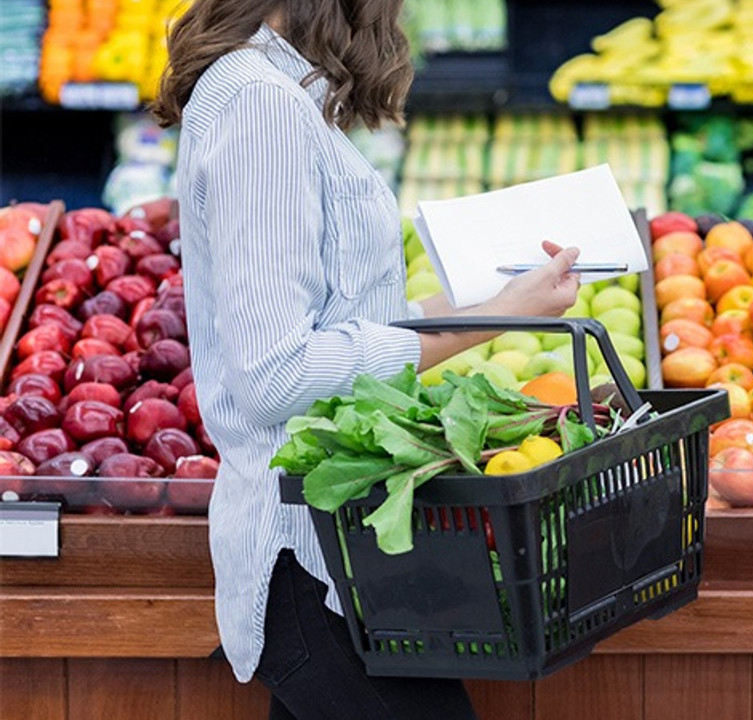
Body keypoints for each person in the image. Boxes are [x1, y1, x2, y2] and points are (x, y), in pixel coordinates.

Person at [152, 2, 580, 717]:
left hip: (344, 553)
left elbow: (339, 328)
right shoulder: (260, 106)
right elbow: (276, 375)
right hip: (309, 562)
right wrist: (479, 327)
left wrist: (502, 303)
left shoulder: (279, 95)